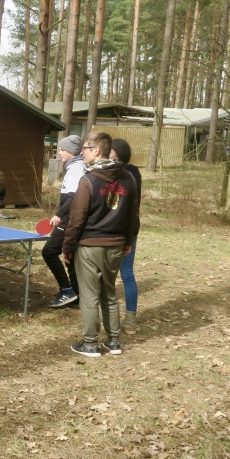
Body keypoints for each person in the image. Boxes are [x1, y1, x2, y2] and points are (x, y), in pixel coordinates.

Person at [62, 132, 140, 358]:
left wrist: (67, 247)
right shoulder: (128, 178)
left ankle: (90, 344)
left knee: (89, 296)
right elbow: (133, 214)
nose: (82, 152)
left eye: (85, 148)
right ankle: (114, 341)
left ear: (96, 150)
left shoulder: (88, 180)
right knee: (109, 293)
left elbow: (77, 219)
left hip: (90, 246)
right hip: (115, 245)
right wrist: (127, 240)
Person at [43, 135, 84, 308]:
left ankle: (67, 290)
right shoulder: (75, 167)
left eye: (62, 150)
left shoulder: (76, 169)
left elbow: (73, 197)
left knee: (49, 252)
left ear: (72, 151)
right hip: (71, 219)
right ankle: (77, 295)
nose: (59, 153)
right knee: (71, 258)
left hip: (68, 220)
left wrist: (59, 214)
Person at [111, 138, 141, 333]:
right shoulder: (133, 172)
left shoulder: (125, 173)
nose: (107, 153)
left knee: (125, 274)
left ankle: (128, 320)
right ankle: (119, 320)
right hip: (126, 227)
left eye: (111, 151)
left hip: (120, 229)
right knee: (118, 274)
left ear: (118, 153)